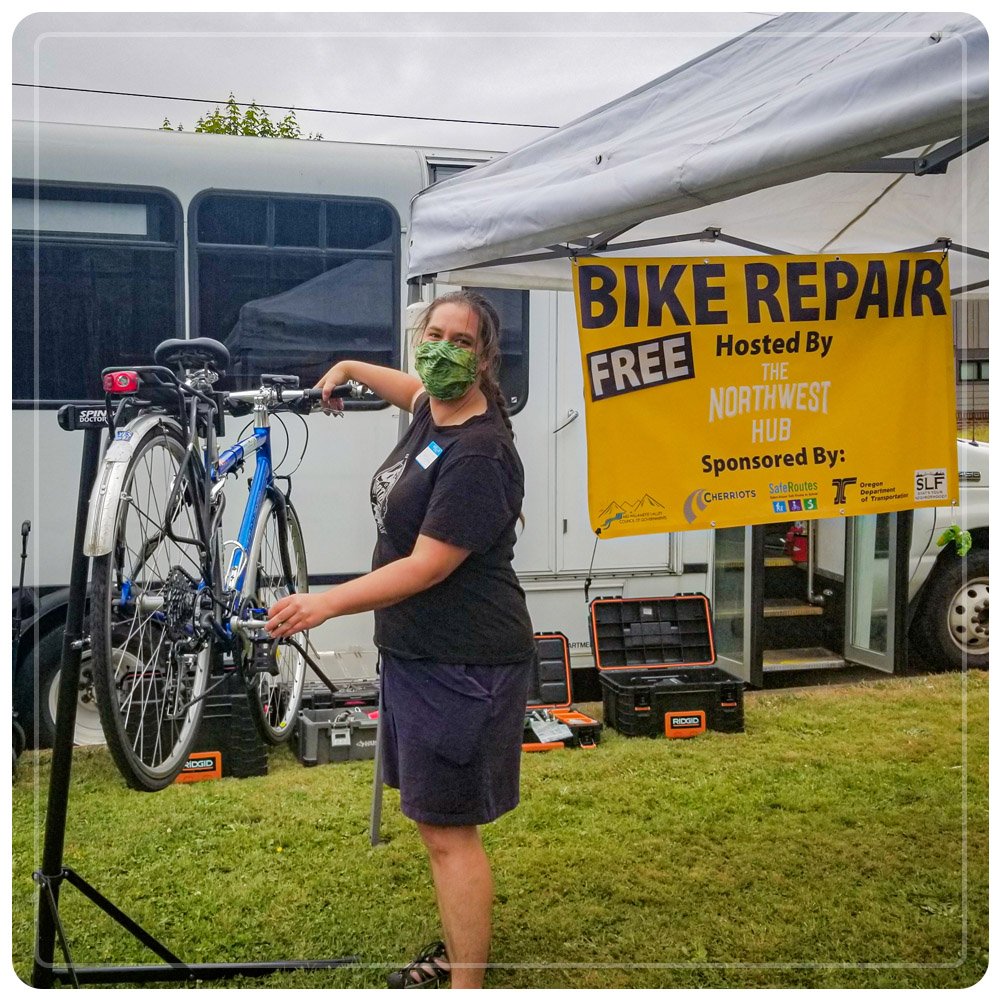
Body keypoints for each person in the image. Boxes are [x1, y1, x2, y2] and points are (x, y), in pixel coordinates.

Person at [266, 291, 535, 989]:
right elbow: (410, 388)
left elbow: (426, 566)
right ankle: (458, 955)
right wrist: (352, 364)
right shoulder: (436, 413)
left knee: (450, 834)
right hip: (422, 653)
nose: (443, 349)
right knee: (435, 826)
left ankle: (465, 984)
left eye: (461, 341)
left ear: (484, 358)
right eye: (434, 333)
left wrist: (326, 602)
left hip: (465, 661)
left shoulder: (479, 451)